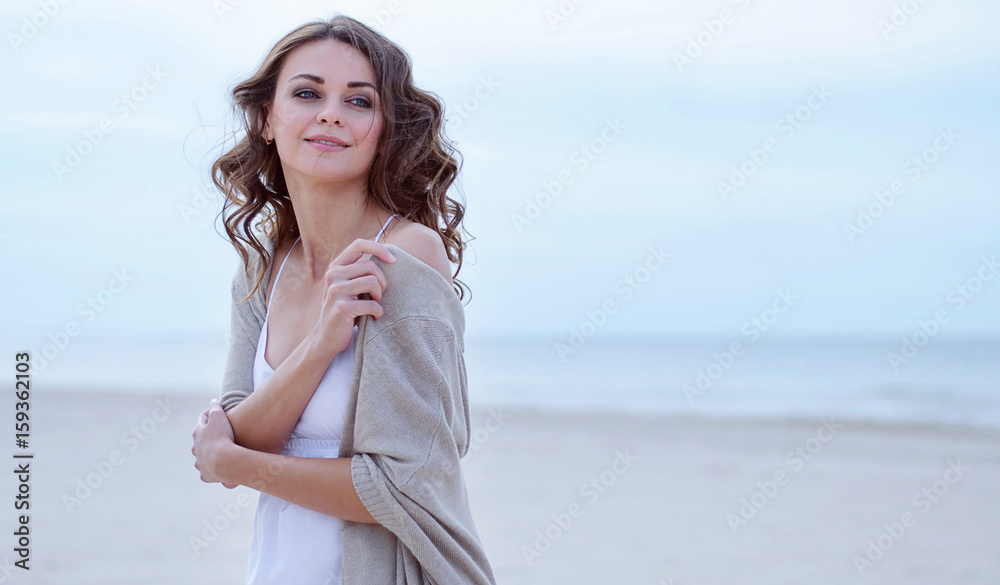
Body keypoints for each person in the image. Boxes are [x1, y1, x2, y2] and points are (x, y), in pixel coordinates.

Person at [190, 14, 496, 585]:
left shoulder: (402, 258)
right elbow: (246, 428)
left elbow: (409, 484)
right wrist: (321, 343)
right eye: (307, 93)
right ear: (266, 119)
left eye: (359, 102)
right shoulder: (262, 270)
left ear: (384, 129)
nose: (331, 112)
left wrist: (237, 465)